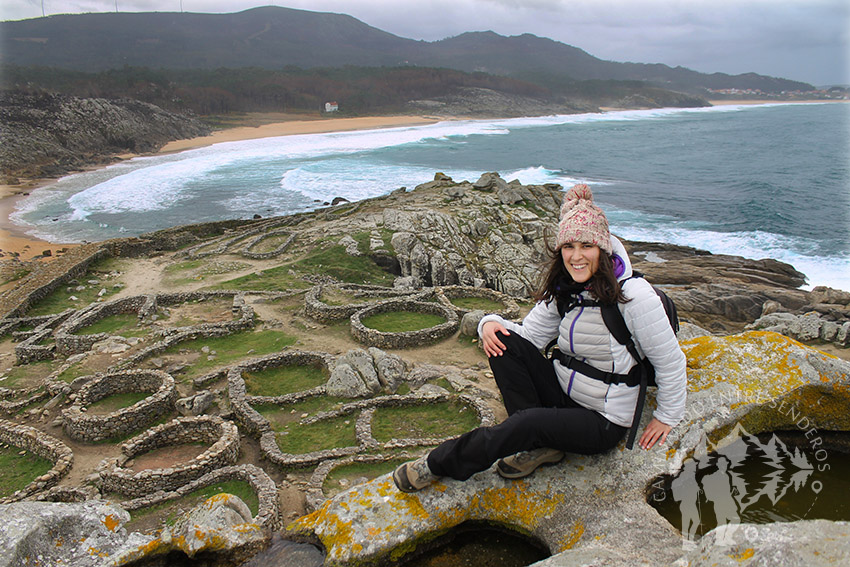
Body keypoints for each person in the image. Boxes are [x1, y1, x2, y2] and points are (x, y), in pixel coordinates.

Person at [393, 183, 687, 493]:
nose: (576, 256)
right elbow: (529, 336)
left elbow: (669, 361)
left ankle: (437, 464)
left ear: (603, 248)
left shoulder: (634, 297)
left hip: (602, 419)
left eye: (586, 246)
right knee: (504, 342)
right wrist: (489, 324)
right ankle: (541, 444)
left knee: (528, 423)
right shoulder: (567, 290)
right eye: (568, 246)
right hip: (564, 393)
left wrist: (667, 416)